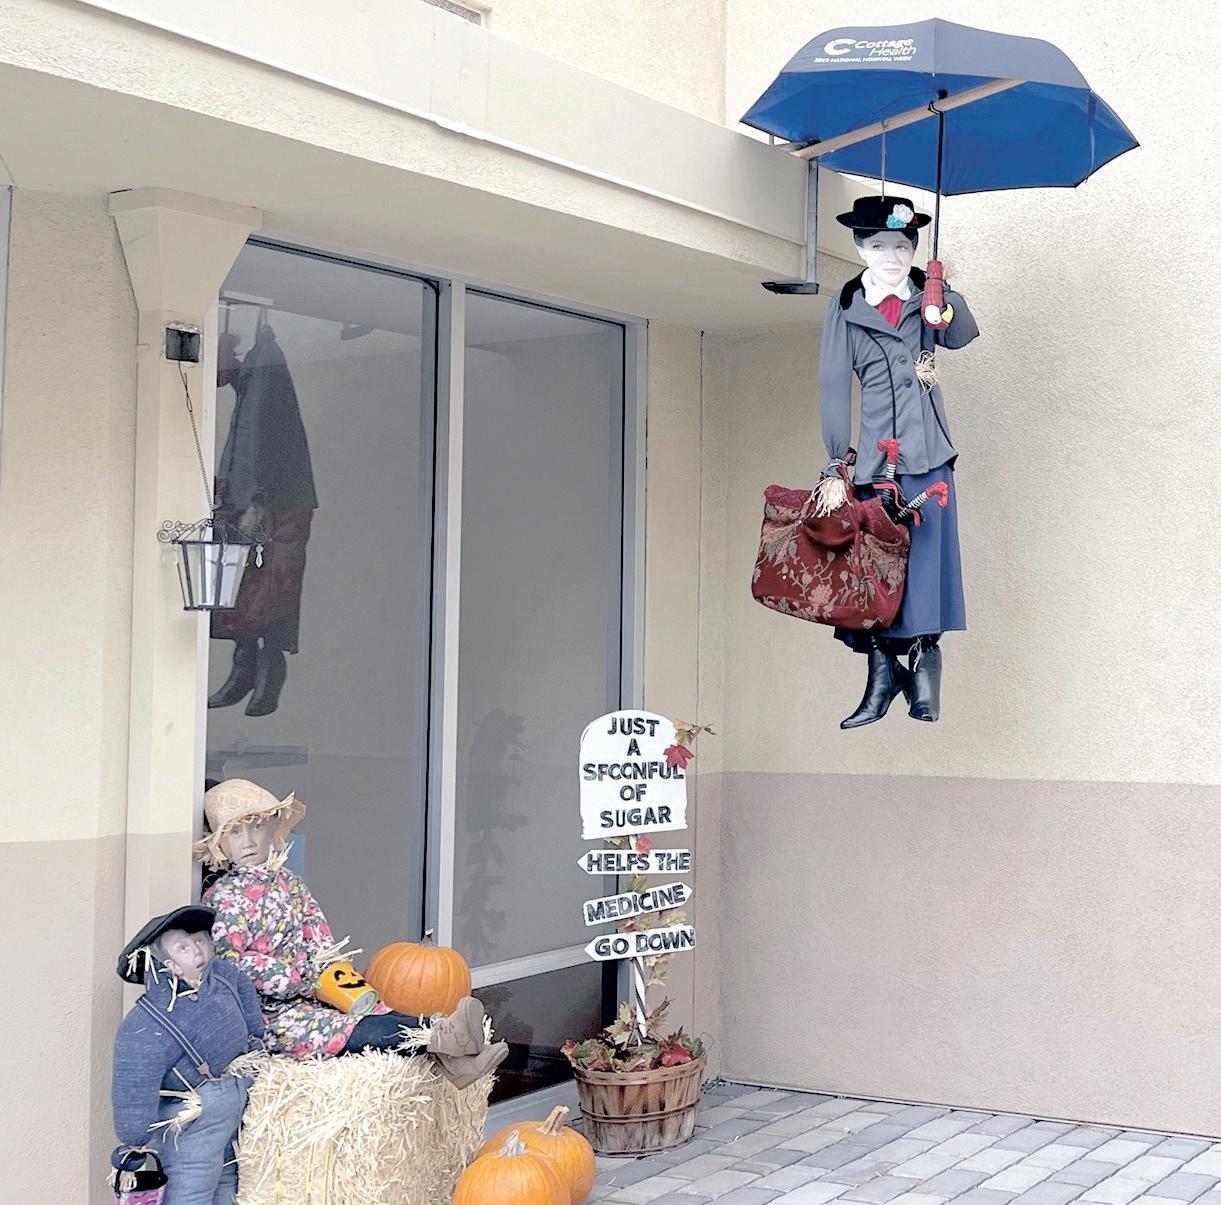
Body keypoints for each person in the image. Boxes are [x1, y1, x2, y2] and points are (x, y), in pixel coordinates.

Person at [197, 778, 507, 1087]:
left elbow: (318, 935)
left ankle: (453, 1053)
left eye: (256, 827)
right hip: (270, 1015)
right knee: (351, 1030)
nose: (248, 841)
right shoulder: (223, 898)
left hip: (313, 992)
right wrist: (297, 977)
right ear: (219, 844)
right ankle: (444, 1039)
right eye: (235, 832)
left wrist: (328, 972)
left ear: (272, 829)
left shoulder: (290, 883)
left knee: (378, 1013)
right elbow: (230, 963)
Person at [819, 194, 979, 727]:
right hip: (876, 463)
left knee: (927, 564)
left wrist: (944, 292)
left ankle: (926, 670)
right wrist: (836, 457)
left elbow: (960, 336)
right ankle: (883, 677)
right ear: (861, 248)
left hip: (928, 454)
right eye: (880, 245)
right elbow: (833, 382)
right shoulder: (847, 304)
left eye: (903, 246)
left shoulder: (926, 297)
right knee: (876, 570)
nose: (892, 256)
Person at [111, 905, 263, 1205]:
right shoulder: (148, 1023)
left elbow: (245, 997)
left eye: (200, 940)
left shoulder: (223, 980)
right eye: (183, 947)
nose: (197, 950)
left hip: (233, 1109)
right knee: (189, 1190)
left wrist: (254, 1042)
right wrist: (134, 1141)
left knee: (228, 1185)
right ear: (168, 966)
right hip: (193, 1119)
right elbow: (133, 1086)